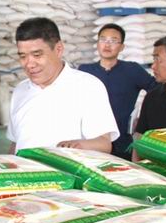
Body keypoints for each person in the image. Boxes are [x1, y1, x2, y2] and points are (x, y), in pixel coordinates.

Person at [7, 17, 118, 153]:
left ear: (58, 49)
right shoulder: (20, 91)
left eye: (37, 55)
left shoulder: (88, 87)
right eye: (23, 56)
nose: (29, 64)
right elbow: (16, 143)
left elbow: (104, 144)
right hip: (25, 167)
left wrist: (76, 146)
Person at [79, 23, 156, 160]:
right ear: (97, 43)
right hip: (92, 141)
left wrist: (142, 118)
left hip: (122, 143)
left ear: (122, 47)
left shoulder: (132, 70)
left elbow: (157, 90)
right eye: (103, 39)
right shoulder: (85, 71)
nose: (107, 45)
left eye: (113, 41)